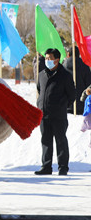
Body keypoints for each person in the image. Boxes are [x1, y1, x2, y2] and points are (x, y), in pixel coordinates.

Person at [35, 48, 75, 176]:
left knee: (60, 141)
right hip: (44, 114)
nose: (47, 60)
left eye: (50, 58)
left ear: (57, 60)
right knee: (45, 141)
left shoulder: (65, 75)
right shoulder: (42, 75)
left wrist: (62, 106)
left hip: (58, 115)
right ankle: (46, 166)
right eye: (46, 58)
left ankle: (63, 167)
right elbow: (39, 90)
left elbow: (72, 95)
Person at [62, 46, 91, 115]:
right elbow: (89, 84)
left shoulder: (63, 66)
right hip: (82, 104)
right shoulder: (84, 65)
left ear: (68, 54)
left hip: (66, 104)